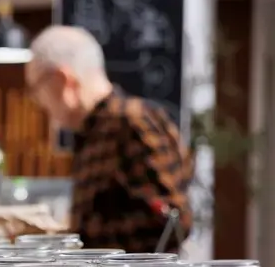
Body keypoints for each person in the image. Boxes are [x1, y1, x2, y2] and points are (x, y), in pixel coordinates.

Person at [24, 25, 193, 253]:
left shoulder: (131, 122)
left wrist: (84, 238)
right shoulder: (93, 131)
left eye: (37, 89)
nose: (40, 103)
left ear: (63, 80)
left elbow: (173, 222)